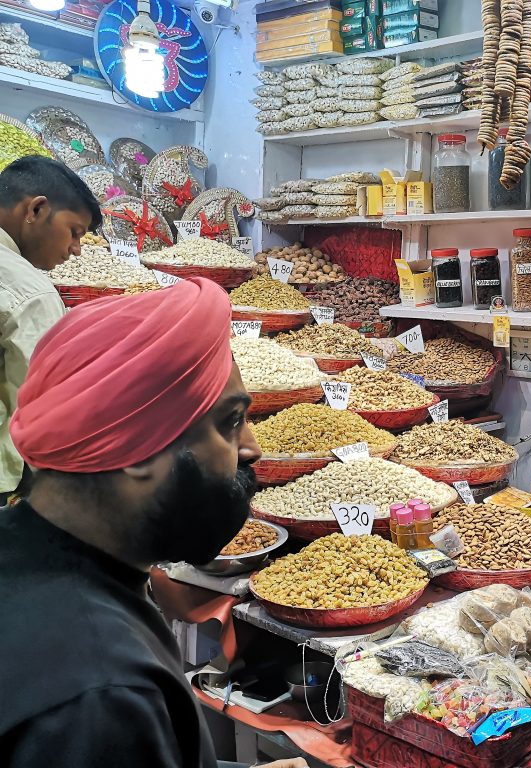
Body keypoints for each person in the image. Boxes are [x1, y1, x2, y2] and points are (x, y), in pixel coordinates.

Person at [0, 278, 306, 768]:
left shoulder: (25, 548)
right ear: (139, 448)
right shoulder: (101, 695)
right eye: (230, 421)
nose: (252, 447)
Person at [0, 156, 100, 503]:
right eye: (74, 232)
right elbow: (41, 410)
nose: (75, 250)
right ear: (37, 209)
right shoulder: (31, 293)